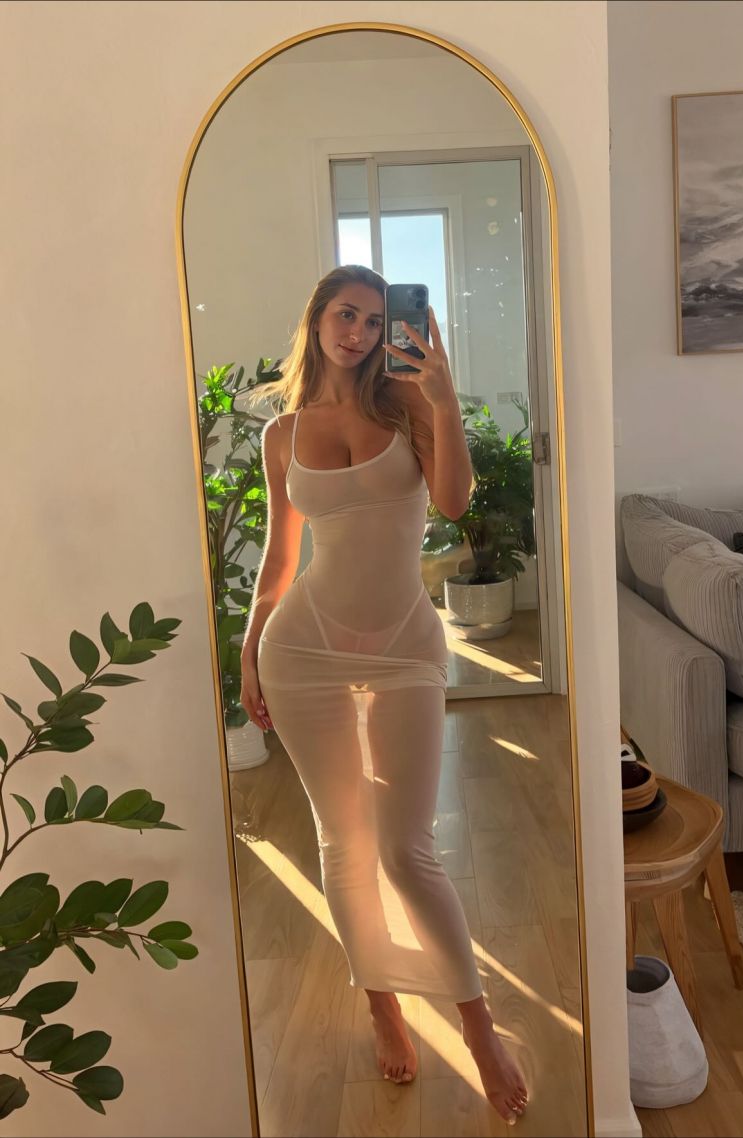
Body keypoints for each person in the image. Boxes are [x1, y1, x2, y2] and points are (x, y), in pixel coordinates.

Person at [239, 265, 528, 1124]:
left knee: (407, 850)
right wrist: (250, 649)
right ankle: (383, 1005)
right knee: (344, 844)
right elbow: (280, 557)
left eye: (373, 320)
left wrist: (443, 399)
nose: (359, 332)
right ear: (317, 320)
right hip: (303, 649)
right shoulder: (283, 434)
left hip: (406, 645)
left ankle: (478, 1028)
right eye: (345, 314)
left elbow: (454, 502)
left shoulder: (408, 407)